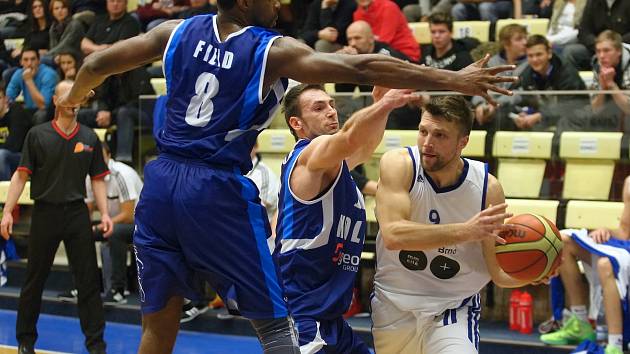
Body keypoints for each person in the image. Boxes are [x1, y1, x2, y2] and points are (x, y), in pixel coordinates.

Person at [56, 2, 516, 352]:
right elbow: (359, 66)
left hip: (160, 182)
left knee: (158, 321)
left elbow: (95, 66)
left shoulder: (174, 31)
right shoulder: (269, 49)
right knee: (278, 327)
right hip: (214, 187)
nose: (279, 4)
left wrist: (72, 101)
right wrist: (452, 79)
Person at [371, 95, 547, 354]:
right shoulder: (400, 165)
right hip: (394, 305)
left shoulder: (488, 189)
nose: (427, 143)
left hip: (453, 307)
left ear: (462, 142)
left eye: (440, 135)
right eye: (423, 132)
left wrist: (534, 271)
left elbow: (496, 273)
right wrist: (465, 231)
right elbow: (394, 234)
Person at [276, 84, 417, 353]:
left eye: (331, 104)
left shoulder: (332, 164)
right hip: (301, 314)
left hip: (328, 317)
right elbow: (350, 139)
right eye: (319, 108)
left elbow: (363, 149)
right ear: (297, 123)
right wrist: (384, 105)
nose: (331, 112)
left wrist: (378, 102)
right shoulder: (310, 154)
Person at [0, 80, 112, 354]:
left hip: (77, 214)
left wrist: (105, 213)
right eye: (68, 94)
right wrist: (6, 212)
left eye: (78, 93)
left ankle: (96, 345)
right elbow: (20, 175)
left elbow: (98, 180)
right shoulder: (37, 135)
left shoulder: (89, 137)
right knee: (34, 281)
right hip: (45, 213)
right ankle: (26, 342)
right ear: (55, 100)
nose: (74, 99)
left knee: (87, 282)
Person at [539, 176, 630, 354]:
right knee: (563, 242)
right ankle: (580, 322)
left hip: (624, 253)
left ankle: (615, 344)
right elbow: (624, 230)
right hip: (624, 246)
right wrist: (606, 231)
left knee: (606, 263)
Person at [86, 140, 143, 304]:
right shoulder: (88, 176)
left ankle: (118, 290)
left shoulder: (121, 174)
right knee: (78, 232)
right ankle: (83, 286)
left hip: (142, 224)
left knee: (115, 231)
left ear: (109, 156)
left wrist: (102, 225)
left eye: (100, 157)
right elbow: (86, 209)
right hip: (112, 221)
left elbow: (129, 215)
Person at [508, 35, 586, 131]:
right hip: (546, 119)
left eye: (539, 54)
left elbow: (571, 105)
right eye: (530, 56)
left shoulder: (566, 72)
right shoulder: (527, 75)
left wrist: (540, 116)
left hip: (574, 119)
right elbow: (527, 101)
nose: (534, 60)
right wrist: (525, 113)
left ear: (549, 54)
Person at [563, 0, 630, 71]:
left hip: (623, 47)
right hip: (595, 47)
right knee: (570, 52)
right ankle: (575, 81)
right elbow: (583, 30)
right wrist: (599, 45)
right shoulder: (592, 2)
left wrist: (615, 44)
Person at [353, 0, 421, 62]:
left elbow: (384, 41)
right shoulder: (357, 14)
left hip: (406, 53)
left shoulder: (388, 7)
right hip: (380, 53)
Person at [6, 48, 59, 126]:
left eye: (33, 59)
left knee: (41, 115)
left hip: (49, 112)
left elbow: (43, 106)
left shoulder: (49, 75)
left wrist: (29, 81)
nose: (29, 63)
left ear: (39, 61)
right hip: (29, 110)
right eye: (26, 60)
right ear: (21, 62)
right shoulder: (19, 74)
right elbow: (7, 98)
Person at [0, 82, 31, 181]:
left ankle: (4, 192)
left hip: (21, 157)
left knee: (1, 155)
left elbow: (14, 145)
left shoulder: (16, 112)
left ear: (5, 99)